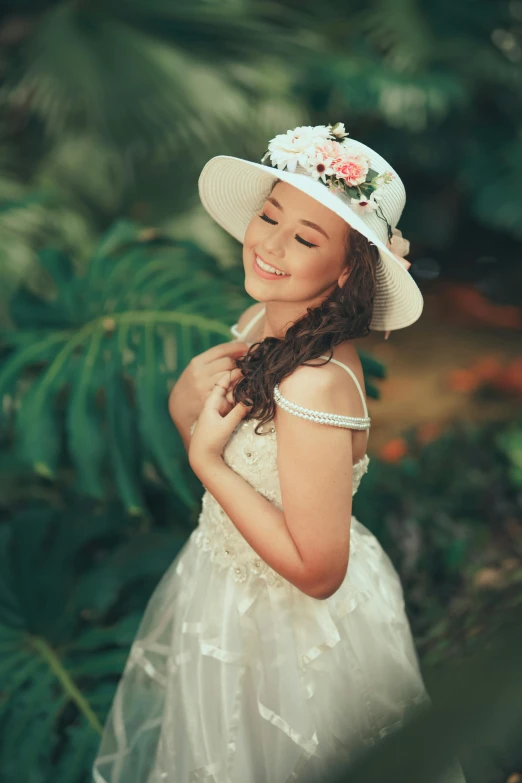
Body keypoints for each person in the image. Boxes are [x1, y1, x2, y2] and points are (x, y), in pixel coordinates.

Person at [92, 123, 466, 782]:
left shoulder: (313, 383)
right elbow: (224, 444)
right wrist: (186, 399)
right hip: (225, 590)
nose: (269, 244)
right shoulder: (264, 320)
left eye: (305, 237)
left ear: (349, 267)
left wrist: (205, 462)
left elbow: (318, 569)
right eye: (270, 215)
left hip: (292, 628)